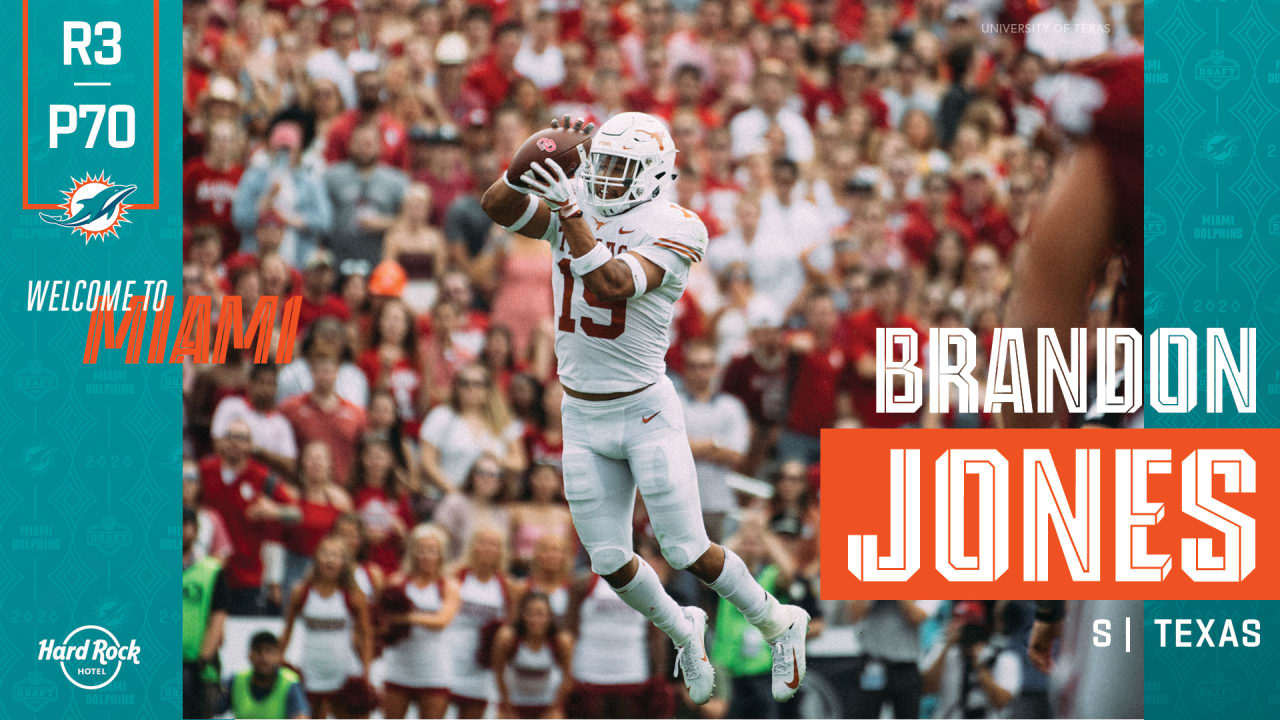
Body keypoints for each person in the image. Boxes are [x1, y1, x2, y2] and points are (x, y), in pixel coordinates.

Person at [480, 113, 809, 706]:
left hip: (644, 409)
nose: (603, 178)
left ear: (655, 175)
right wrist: (526, 163)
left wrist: (570, 214)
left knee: (685, 547)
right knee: (608, 560)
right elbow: (497, 207)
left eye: (620, 169)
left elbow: (608, 283)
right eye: (600, 163)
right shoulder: (575, 196)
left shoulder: (677, 227)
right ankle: (684, 628)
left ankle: (777, 620)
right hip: (580, 412)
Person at [198, 419, 300, 615]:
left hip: (247, 577)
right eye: (230, 437)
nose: (235, 442)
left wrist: (275, 511)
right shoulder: (205, 471)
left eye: (241, 438)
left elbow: (297, 513)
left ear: (250, 444)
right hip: (207, 571)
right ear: (221, 442)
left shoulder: (262, 478)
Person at [280, 535, 374, 718]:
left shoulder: (354, 595)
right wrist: (280, 660)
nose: (330, 559)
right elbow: (287, 630)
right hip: (310, 667)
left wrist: (366, 672)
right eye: (325, 554)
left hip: (345, 670)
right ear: (316, 558)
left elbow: (366, 634)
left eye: (336, 555)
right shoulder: (300, 591)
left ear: (344, 562)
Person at [382, 524, 462, 720]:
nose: (427, 556)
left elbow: (442, 620)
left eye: (432, 550)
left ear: (441, 554)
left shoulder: (449, 585)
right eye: (422, 550)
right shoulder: (397, 581)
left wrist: (405, 618)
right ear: (413, 552)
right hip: (399, 664)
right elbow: (383, 619)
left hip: (433, 668)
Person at [678, 339, 750, 542]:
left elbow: (736, 455)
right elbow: (668, 451)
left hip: (718, 502)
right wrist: (715, 444)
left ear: (715, 369)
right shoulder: (673, 403)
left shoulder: (731, 407)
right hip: (679, 503)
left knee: (718, 568)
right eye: (693, 366)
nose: (699, 372)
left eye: (705, 366)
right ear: (685, 369)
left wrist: (690, 446)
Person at [447, 525, 514, 719]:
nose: (488, 549)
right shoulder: (455, 575)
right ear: (472, 546)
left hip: (481, 667)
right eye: (483, 543)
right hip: (450, 657)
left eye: (494, 545)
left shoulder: (507, 585)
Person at [325, 122, 410, 269]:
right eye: (358, 143)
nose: (363, 148)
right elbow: (322, 218)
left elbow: (410, 221)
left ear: (380, 146)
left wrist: (384, 223)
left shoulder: (397, 181)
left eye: (368, 143)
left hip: (380, 258)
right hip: (338, 257)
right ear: (349, 145)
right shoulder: (332, 177)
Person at [280, 354, 368, 486]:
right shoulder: (291, 408)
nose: (325, 376)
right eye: (320, 371)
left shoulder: (356, 413)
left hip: (343, 487)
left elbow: (363, 451)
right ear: (312, 374)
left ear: (337, 373)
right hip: (300, 487)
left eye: (329, 372)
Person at [282, 442, 353, 599]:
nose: (316, 463)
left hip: (331, 567)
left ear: (329, 464)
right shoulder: (290, 494)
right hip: (295, 565)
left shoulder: (340, 499)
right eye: (311, 458)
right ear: (302, 463)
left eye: (321, 458)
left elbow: (350, 537)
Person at [493, 591, 575, 719]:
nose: (535, 620)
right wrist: (508, 707)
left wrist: (554, 708)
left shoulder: (561, 640)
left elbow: (568, 678)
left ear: (550, 616)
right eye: (530, 614)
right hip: (513, 702)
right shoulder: (508, 637)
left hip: (547, 703)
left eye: (540, 614)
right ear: (522, 615)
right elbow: (498, 673)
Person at [210, 363, 298, 477]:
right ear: (250, 383)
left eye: (271, 384)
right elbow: (218, 444)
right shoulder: (230, 405)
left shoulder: (281, 423)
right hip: (229, 473)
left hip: (265, 482)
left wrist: (257, 451)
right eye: (262, 382)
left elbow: (289, 464)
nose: (266, 389)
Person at [182, 508, 229, 720]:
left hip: (199, 668)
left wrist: (205, 656)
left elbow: (219, 614)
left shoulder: (211, 570)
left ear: (196, 530)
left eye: (185, 525)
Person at [225, 631, 310, 720]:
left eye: (269, 651)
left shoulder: (290, 683)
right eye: (258, 651)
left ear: (278, 656)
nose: (264, 657)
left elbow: (301, 715)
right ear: (250, 655)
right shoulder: (236, 681)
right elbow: (212, 706)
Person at [508, 463, 575, 575]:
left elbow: (569, 553)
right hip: (521, 573)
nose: (544, 484)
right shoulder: (515, 511)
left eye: (549, 478)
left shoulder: (565, 515)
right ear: (530, 480)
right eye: (540, 478)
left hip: (556, 575)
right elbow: (506, 550)